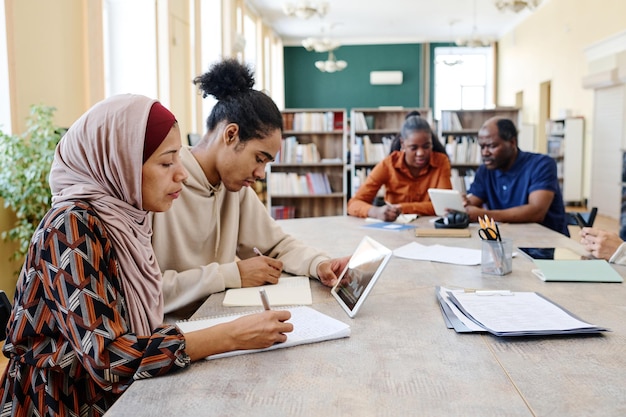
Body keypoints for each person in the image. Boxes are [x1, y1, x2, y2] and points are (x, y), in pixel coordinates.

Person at [0, 94, 292, 416]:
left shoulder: (127, 220)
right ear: (119, 162)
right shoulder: (69, 228)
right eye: (167, 162)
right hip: (63, 403)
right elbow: (109, 359)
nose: (181, 174)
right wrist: (230, 336)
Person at [150, 58, 349, 316]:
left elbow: (277, 245)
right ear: (230, 135)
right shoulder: (159, 186)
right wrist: (231, 274)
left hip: (217, 319)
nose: (260, 173)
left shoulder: (235, 190)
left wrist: (319, 263)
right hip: (172, 331)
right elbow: (143, 290)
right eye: (259, 158)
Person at [463, 116, 570, 236]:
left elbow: (536, 212)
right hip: (505, 238)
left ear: (512, 142)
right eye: (482, 147)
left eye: (492, 146)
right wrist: (463, 204)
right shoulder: (485, 170)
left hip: (545, 243)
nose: (485, 153)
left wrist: (484, 216)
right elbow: (472, 201)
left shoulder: (541, 164)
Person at [347, 113, 452, 222]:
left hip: (431, 229)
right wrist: (375, 212)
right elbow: (353, 204)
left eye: (426, 146)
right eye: (413, 148)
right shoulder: (388, 165)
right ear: (403, 144)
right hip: (396, 229)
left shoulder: (441, 161)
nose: (421, 153)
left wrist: (402, 208)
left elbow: (445, 206)